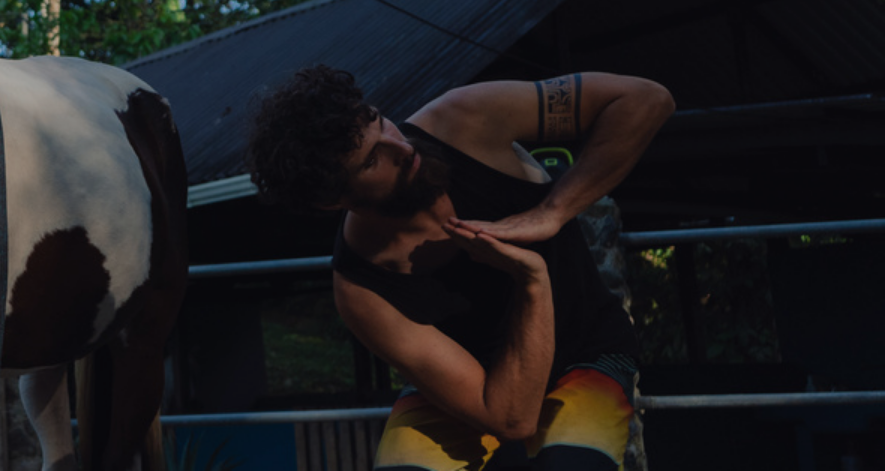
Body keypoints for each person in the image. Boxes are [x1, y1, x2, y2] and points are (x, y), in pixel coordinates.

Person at [247, 67, 673, 470]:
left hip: (586, 355)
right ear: (333, 201)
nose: (402, 147)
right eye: (372, 159)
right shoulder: (361, 288)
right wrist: (532, 282)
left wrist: (553, 211)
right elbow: (510, 418)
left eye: (380, 122)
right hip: (470, 390)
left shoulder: (465, 117)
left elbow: (644, 99)